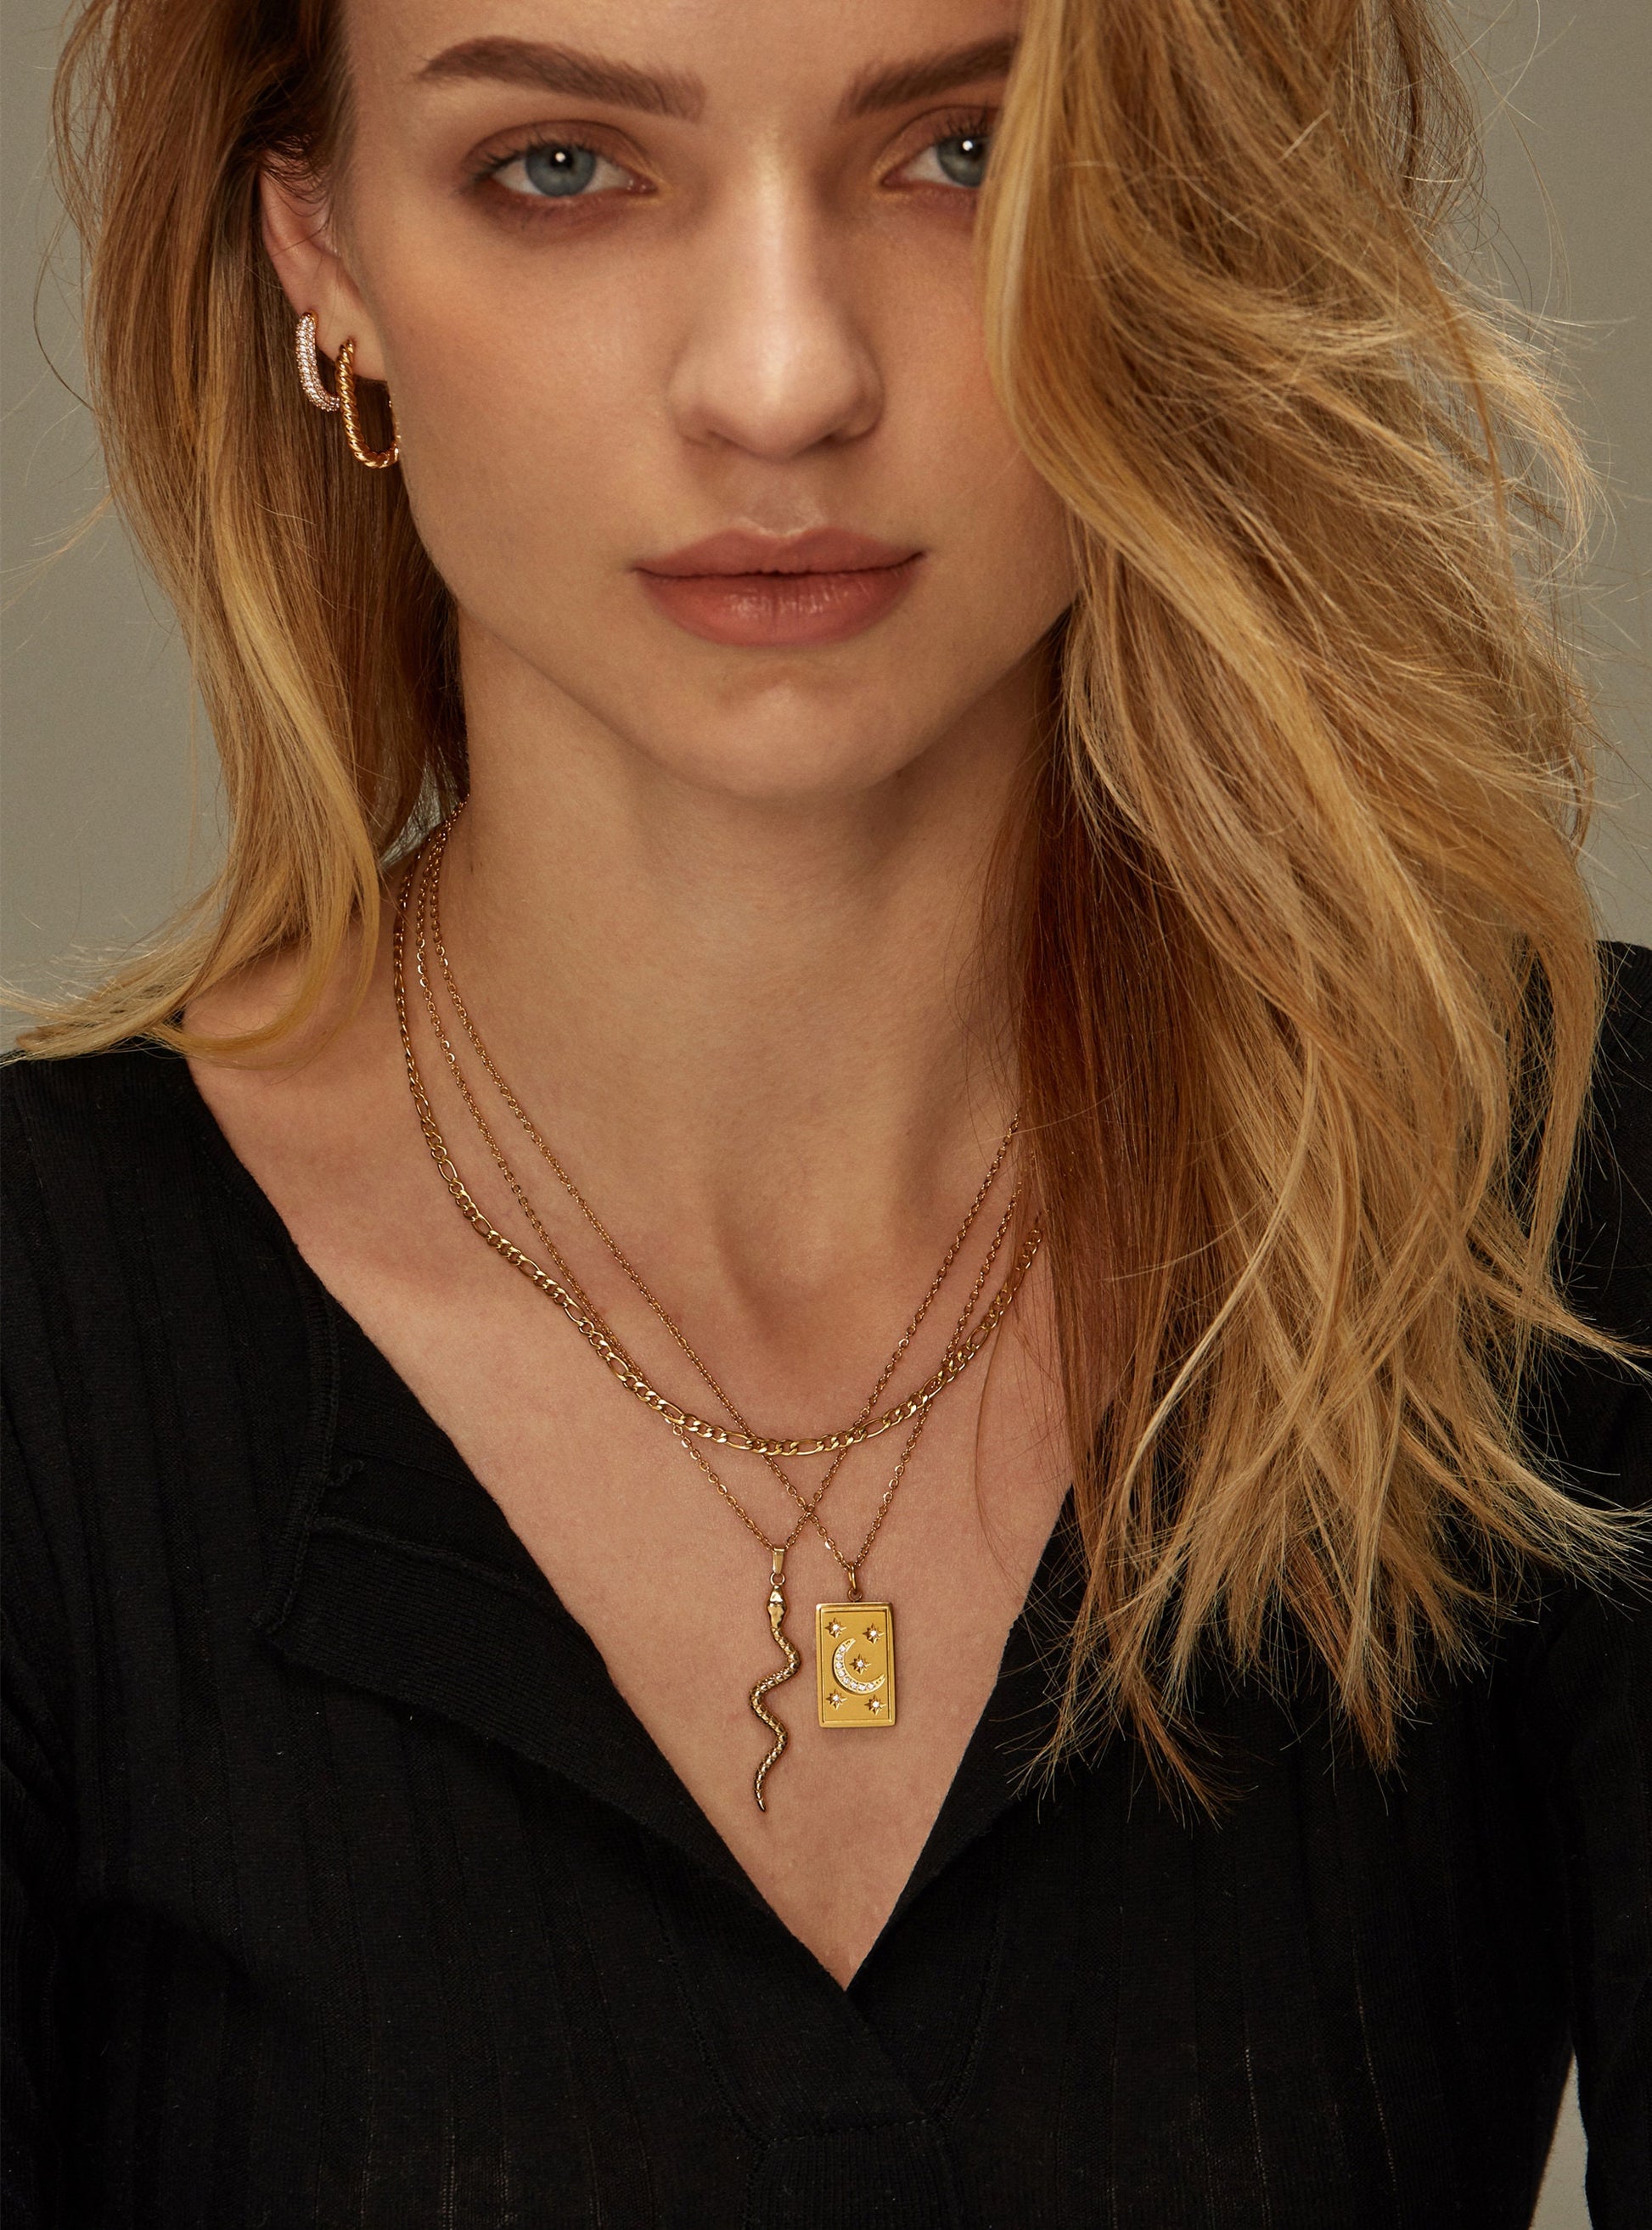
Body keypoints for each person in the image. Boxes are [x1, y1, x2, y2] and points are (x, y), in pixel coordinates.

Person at [3, 0, 1649, 2221]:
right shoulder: (41, 1345)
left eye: (960, 152)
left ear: (1172, 206)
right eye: (562, 167)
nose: (781, 379)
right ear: (324, 250)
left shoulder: (1561, 1188)